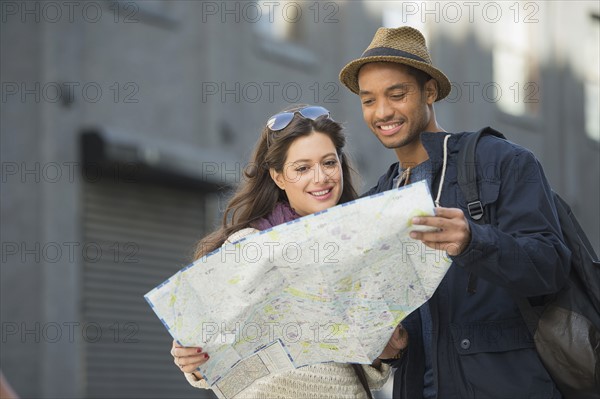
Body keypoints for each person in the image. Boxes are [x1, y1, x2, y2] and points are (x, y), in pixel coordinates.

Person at [338, 26, 571, 398]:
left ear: (429, 91)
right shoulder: (378, 200)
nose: (382, 112)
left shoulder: (502, 161)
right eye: (369, 100)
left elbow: (551, 266)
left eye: (397, 94)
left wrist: (474, 241)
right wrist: (388, 343)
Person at [169, 105, 406, 398]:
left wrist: (387, 348)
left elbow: (369, 370)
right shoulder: (248, 248)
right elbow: (208, 356)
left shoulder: (358, 247)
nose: (320, 178)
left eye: (329, 163)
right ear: (279, 177)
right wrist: (191, 358)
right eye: (303, 168)